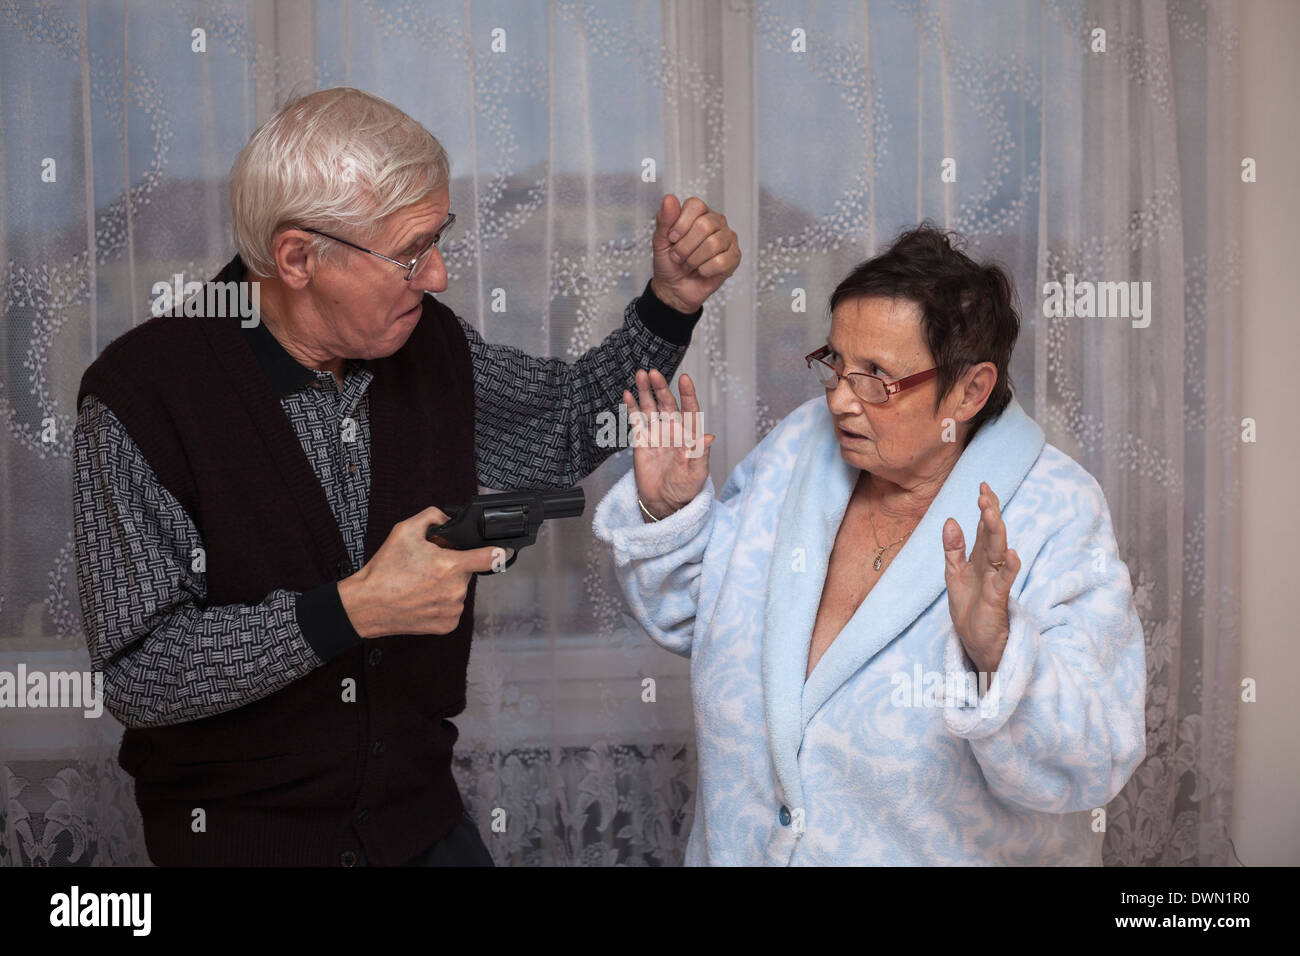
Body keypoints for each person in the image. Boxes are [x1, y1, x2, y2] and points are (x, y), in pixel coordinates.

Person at [72, 87, 740, 867]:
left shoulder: (429, 347)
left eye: (439, 238)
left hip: (422, 829)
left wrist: (670, 305)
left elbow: (564, 426)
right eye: (410, 252)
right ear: (296, 258)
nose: (439, 274)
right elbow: (142, 673)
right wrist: (348, 611)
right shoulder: (142, 396)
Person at [592, 223, 1146, 865]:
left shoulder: (1054, 510)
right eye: (835, 364)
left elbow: (1095, 758)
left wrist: (997, 653)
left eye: (877, 377)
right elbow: (708, 622)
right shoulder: (799, 449)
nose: (840, 403)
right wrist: (670, 512)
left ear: (970, 390)